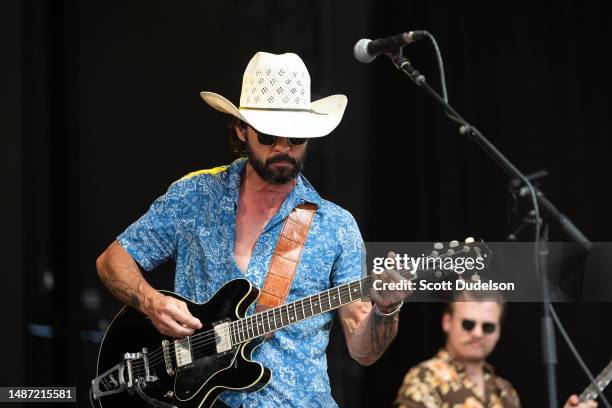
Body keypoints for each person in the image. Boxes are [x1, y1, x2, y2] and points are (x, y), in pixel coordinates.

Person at [96, 51, 410, 408]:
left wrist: (386, 312)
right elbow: (112, 261)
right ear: (241, 130)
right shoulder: (194, 195)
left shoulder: (335, 226)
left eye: (296, 138)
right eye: (269, 136)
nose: (283, 148)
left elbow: (363, 351)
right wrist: (152, 303)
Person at [394, 291, 597, 408]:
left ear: (499, 331)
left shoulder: (505, 390)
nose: (478, 333)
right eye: (468, 324)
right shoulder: (423, 377)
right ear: (447, 322)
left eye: (488, 326)